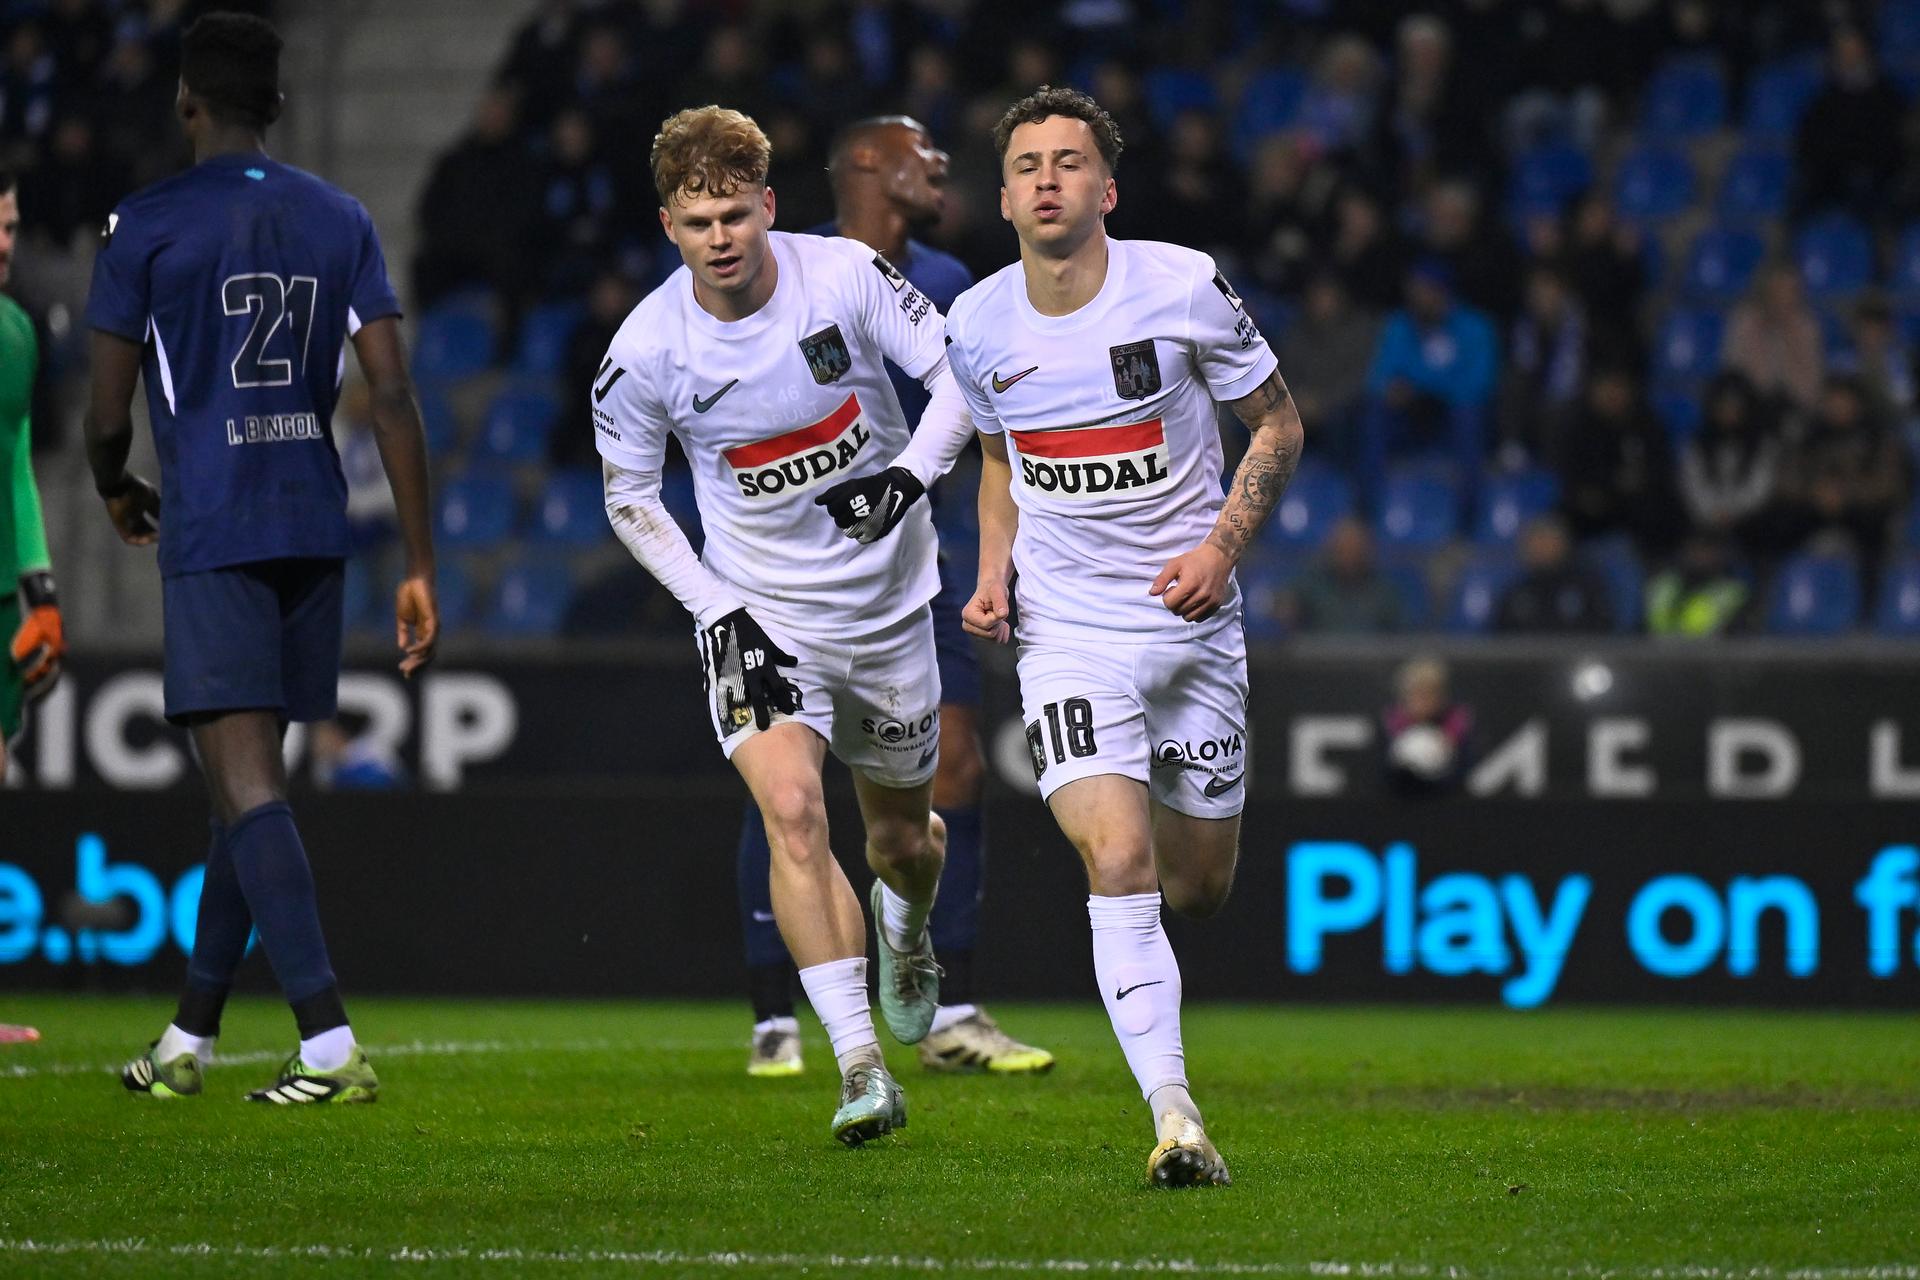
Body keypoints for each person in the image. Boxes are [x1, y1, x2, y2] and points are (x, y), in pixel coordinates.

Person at [823, 86, 1305, 1187]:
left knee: (1197, 885)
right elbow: (999, 460)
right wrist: (993, 573)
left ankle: (1175, 1091)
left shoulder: (1181, 285)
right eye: (1029, 163)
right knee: (1119, 856)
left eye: (1070, 161)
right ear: (1002, 198)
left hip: (1191, 621)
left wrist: (1221, 552)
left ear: (1108, 189)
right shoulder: (980, 321)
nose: (1048, 177)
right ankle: (1176, 1116)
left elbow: (1279, 420)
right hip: (1069, 628)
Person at [85, 14, 439, 1104]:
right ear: (276, 106)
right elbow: (391, 394)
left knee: (246, 787)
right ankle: (189, 1040)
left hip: (218, 527)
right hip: (313, 526)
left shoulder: (144, 225)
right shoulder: (340, 216)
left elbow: (104, 409)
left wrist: (112, 483)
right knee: (241, 793)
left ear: (187, 101)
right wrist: (420, 560)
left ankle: (328, 1043)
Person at [595, 105, 958, 1145]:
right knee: (794, 812)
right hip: (763, 615)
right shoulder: (645, 350)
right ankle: (858, 1066)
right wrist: (718, 608)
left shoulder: (844, 276)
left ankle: (911, 924)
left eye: (736, 214)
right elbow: (630, 496)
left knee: (900, 841)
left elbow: (958, 379)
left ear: (769, 206)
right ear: (668, 223)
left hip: (890, 607)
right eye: (698, 219)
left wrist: (906, 476)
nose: (721, 237)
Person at [732, 115, 1052, 1081]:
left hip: (920, 561)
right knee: (788, 787)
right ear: (867, 162)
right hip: (795, 572)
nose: (941, 165)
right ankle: (772, 1012)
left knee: (953, 768)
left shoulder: (951, 284)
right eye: (922, 152)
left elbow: (984, 405)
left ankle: (949, 1003)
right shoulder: (792, 270)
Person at [1, 169, 64, 787]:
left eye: (10, 227)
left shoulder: (15, 335)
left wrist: (39, 591)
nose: (2, 245)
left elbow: (14, 464)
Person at [1493, 515, 1615, 634]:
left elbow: (1603, 631)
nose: (1541, 548)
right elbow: (1502, 640)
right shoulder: (1515, 595)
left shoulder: (1587, 587)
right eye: (1535, 542)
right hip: (1529, 654)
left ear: (1562, 544)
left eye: (1546, 540)